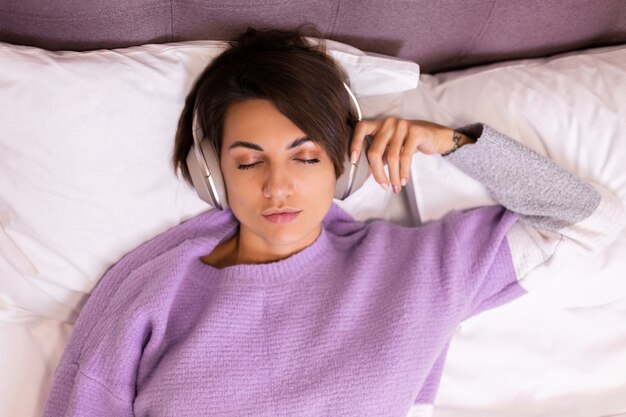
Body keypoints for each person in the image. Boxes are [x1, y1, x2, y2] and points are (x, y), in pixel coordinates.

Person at [42, 26, 625, 417]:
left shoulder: (416, 272)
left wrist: (452, 142)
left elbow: (586, 224)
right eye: (248, 161)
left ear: (343, 163)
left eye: (305, 156)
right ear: (212, 174)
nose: (277, 186)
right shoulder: (154, 289)